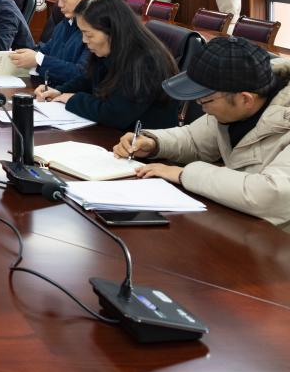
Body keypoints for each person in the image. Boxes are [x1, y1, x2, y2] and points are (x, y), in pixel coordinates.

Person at [114, 38, 290, 231]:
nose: (202, 108)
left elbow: (270, 194)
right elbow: (195, 139)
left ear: (245, 99)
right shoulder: (234, 108)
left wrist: (184, 174)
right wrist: (153, 143)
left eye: (205, 101)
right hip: (240, 224)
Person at [37, 0, 178, 131]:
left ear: (112, 31)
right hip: (112, 133)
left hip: (141, 139)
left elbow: (116, 114)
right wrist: (60, 91)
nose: (84, 40)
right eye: (82, 33)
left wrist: (73, 99)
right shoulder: (111, 49)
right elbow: (88, 79)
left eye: (88, 34)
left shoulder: (144, 61)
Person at [8, 0, 94, 87]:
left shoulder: (97, 29)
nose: (59, 5)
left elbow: (81, 74)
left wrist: (39, 60)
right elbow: (46, 50)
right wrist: (27, 56)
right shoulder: (65, 22)